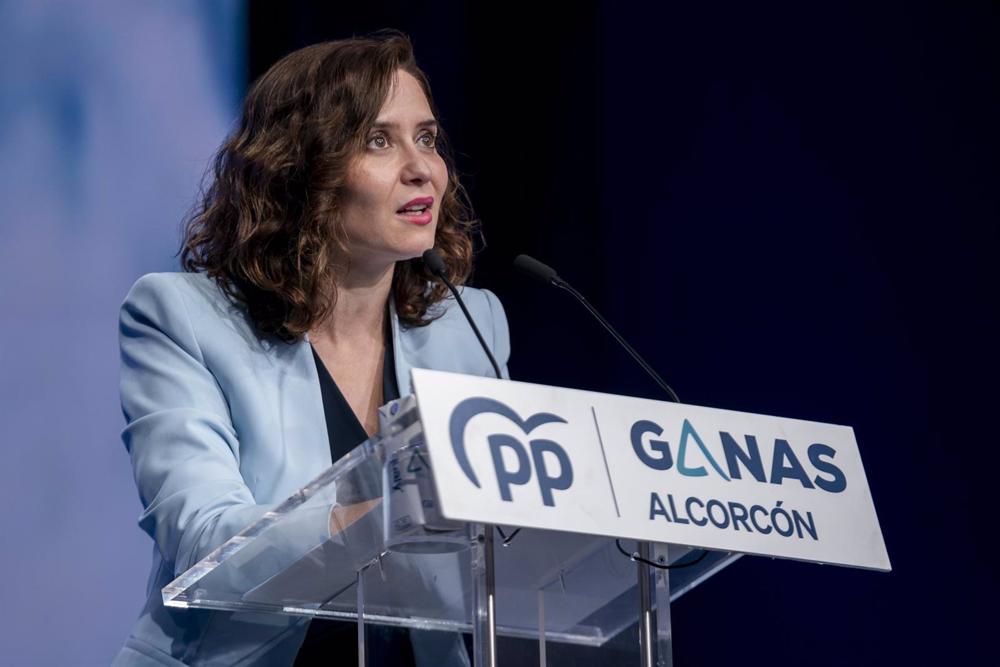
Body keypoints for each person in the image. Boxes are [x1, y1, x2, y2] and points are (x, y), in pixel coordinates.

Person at [113, 31, 510, 666]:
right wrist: (382, 519)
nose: (422, 168)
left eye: (427, 138)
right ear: (302, 169)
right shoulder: (182, 318)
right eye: (379, 140)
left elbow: (498, 538)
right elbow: (205, 544)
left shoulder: (472, 326)